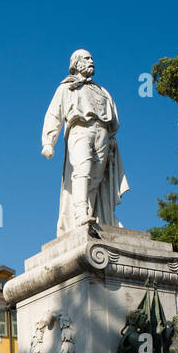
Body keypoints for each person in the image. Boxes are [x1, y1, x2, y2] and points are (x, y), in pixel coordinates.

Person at [41, 48, 129, 235]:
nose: (92, 61)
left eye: (92, 58)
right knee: (82, 169)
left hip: (102, 132)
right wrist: (49, 141)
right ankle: (81, 213)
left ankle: (90, 211)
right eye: (87, 58)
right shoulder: (66, 87)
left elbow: (113, 117)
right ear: (77, 63)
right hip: (80, 129)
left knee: (96, 177)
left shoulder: (102, 90)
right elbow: (54, 114)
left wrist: (111, 138)